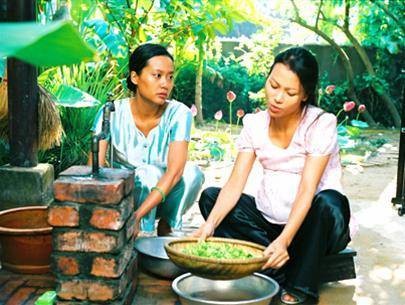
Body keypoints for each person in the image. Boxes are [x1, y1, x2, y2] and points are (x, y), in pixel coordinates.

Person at [194, 47, 351, 304]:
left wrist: (285, 240)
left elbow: (307, 189)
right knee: (211, 198)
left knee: (327, 202)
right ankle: (274, 264)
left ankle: (301, 289)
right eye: (273, 85)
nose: (277, 97)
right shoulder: (255, 124)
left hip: (317, 227)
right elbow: (235, 184)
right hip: (269, 225)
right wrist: (209, 225)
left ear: (305, 95)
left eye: (289, 93)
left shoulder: (320, 123)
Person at [91, 43, 205, 237]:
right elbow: (94, 169)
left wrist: (138, 215)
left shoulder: (179, 114)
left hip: (162, 197)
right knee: (146, 174)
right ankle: (144, 232)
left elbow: (176, 172)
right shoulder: (110, 112)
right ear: (135, 77)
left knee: (193, 173)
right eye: (157, 75)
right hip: (126, 196)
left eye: (170, 77)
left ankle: (167, 226)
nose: (165, 84)